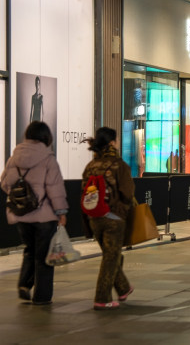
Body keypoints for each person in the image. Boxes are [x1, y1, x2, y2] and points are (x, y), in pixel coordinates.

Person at [1, 121, 67, 306]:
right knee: (44, 256)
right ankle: (42, 296)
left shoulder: (14, 158)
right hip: (44, 215)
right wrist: (61, 211)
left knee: (30, 251)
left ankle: (24, 284)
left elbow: (4, 183)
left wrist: (23, 197)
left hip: (21, 214)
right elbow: (55, 188)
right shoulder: (48, 158)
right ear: (46, 137)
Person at [81, 127, 135, 310]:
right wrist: (123, 210)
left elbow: (83, 191)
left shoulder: (91, 166)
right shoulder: (118, 164)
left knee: (110, 255)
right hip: (113, 218)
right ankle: (102, 299)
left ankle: (123, 288)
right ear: (112, 143)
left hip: (94, 217)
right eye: (117, 140)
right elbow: (128, 192)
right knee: (111, 258)